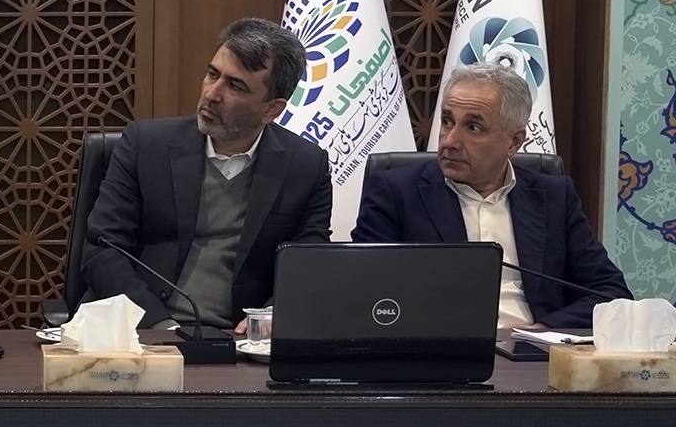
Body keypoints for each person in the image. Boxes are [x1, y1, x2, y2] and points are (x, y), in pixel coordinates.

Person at [83, 18, 333, 329]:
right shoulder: (145, 145)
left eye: (235, 86)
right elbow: (102, 250)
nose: (212, 94)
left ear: (272, 109)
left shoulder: (306, 167)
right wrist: (160, 326)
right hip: (139, 330)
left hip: (237, 339)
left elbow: (308, 262)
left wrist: (270, 316)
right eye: (213, 74)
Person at [352, 63, 630, 329]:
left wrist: (543, 329)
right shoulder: (395, 193)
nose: (449, 140)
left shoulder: (554, 196)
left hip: (533, 351)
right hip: (441, 350)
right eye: (447, 122)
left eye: (473, 127)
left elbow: (610, 291)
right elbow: (364, 291)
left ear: (514, 142)